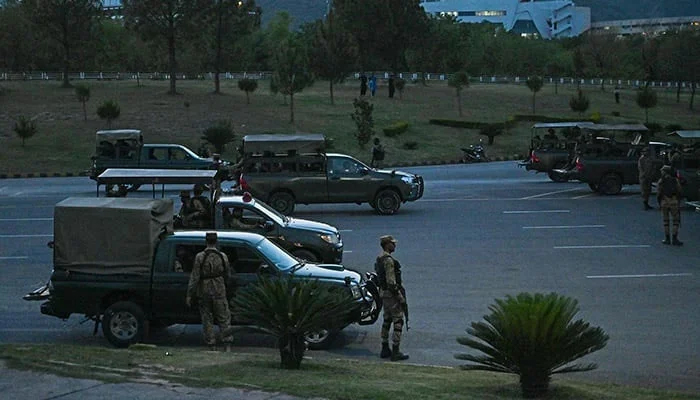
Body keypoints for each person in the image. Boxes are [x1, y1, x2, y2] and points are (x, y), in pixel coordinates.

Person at [186, 232, 233, 351]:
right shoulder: (223, 256)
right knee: (224, 318)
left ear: (206, 241)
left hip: (204, 290)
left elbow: (195, 277)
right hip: (219, 289)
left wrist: (189, 294)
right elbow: (228, 274)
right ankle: (227, 344)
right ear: (216, 241)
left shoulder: (200, 257)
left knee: (207, 318)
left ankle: (211, 344)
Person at [375, 235, 409, 362]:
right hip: (391, 295)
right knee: (398, 321)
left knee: (387, 320)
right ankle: (395, 351)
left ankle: (384, 347)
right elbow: (391, 282)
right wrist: (400, 297)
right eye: (392, 243)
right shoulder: (388, 260)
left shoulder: (379, 258)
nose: (395, 246)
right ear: (387, 245)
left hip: (384, 294)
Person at [656, 166, 683, 246]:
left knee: (666, 222)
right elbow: (680, 191)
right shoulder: (675, 180)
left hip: (664, 202)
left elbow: (658, 192)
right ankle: (674, 238)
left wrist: (660, 203)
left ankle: (667, 239)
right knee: (675, 221)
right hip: (674, 202)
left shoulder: (661, 181)